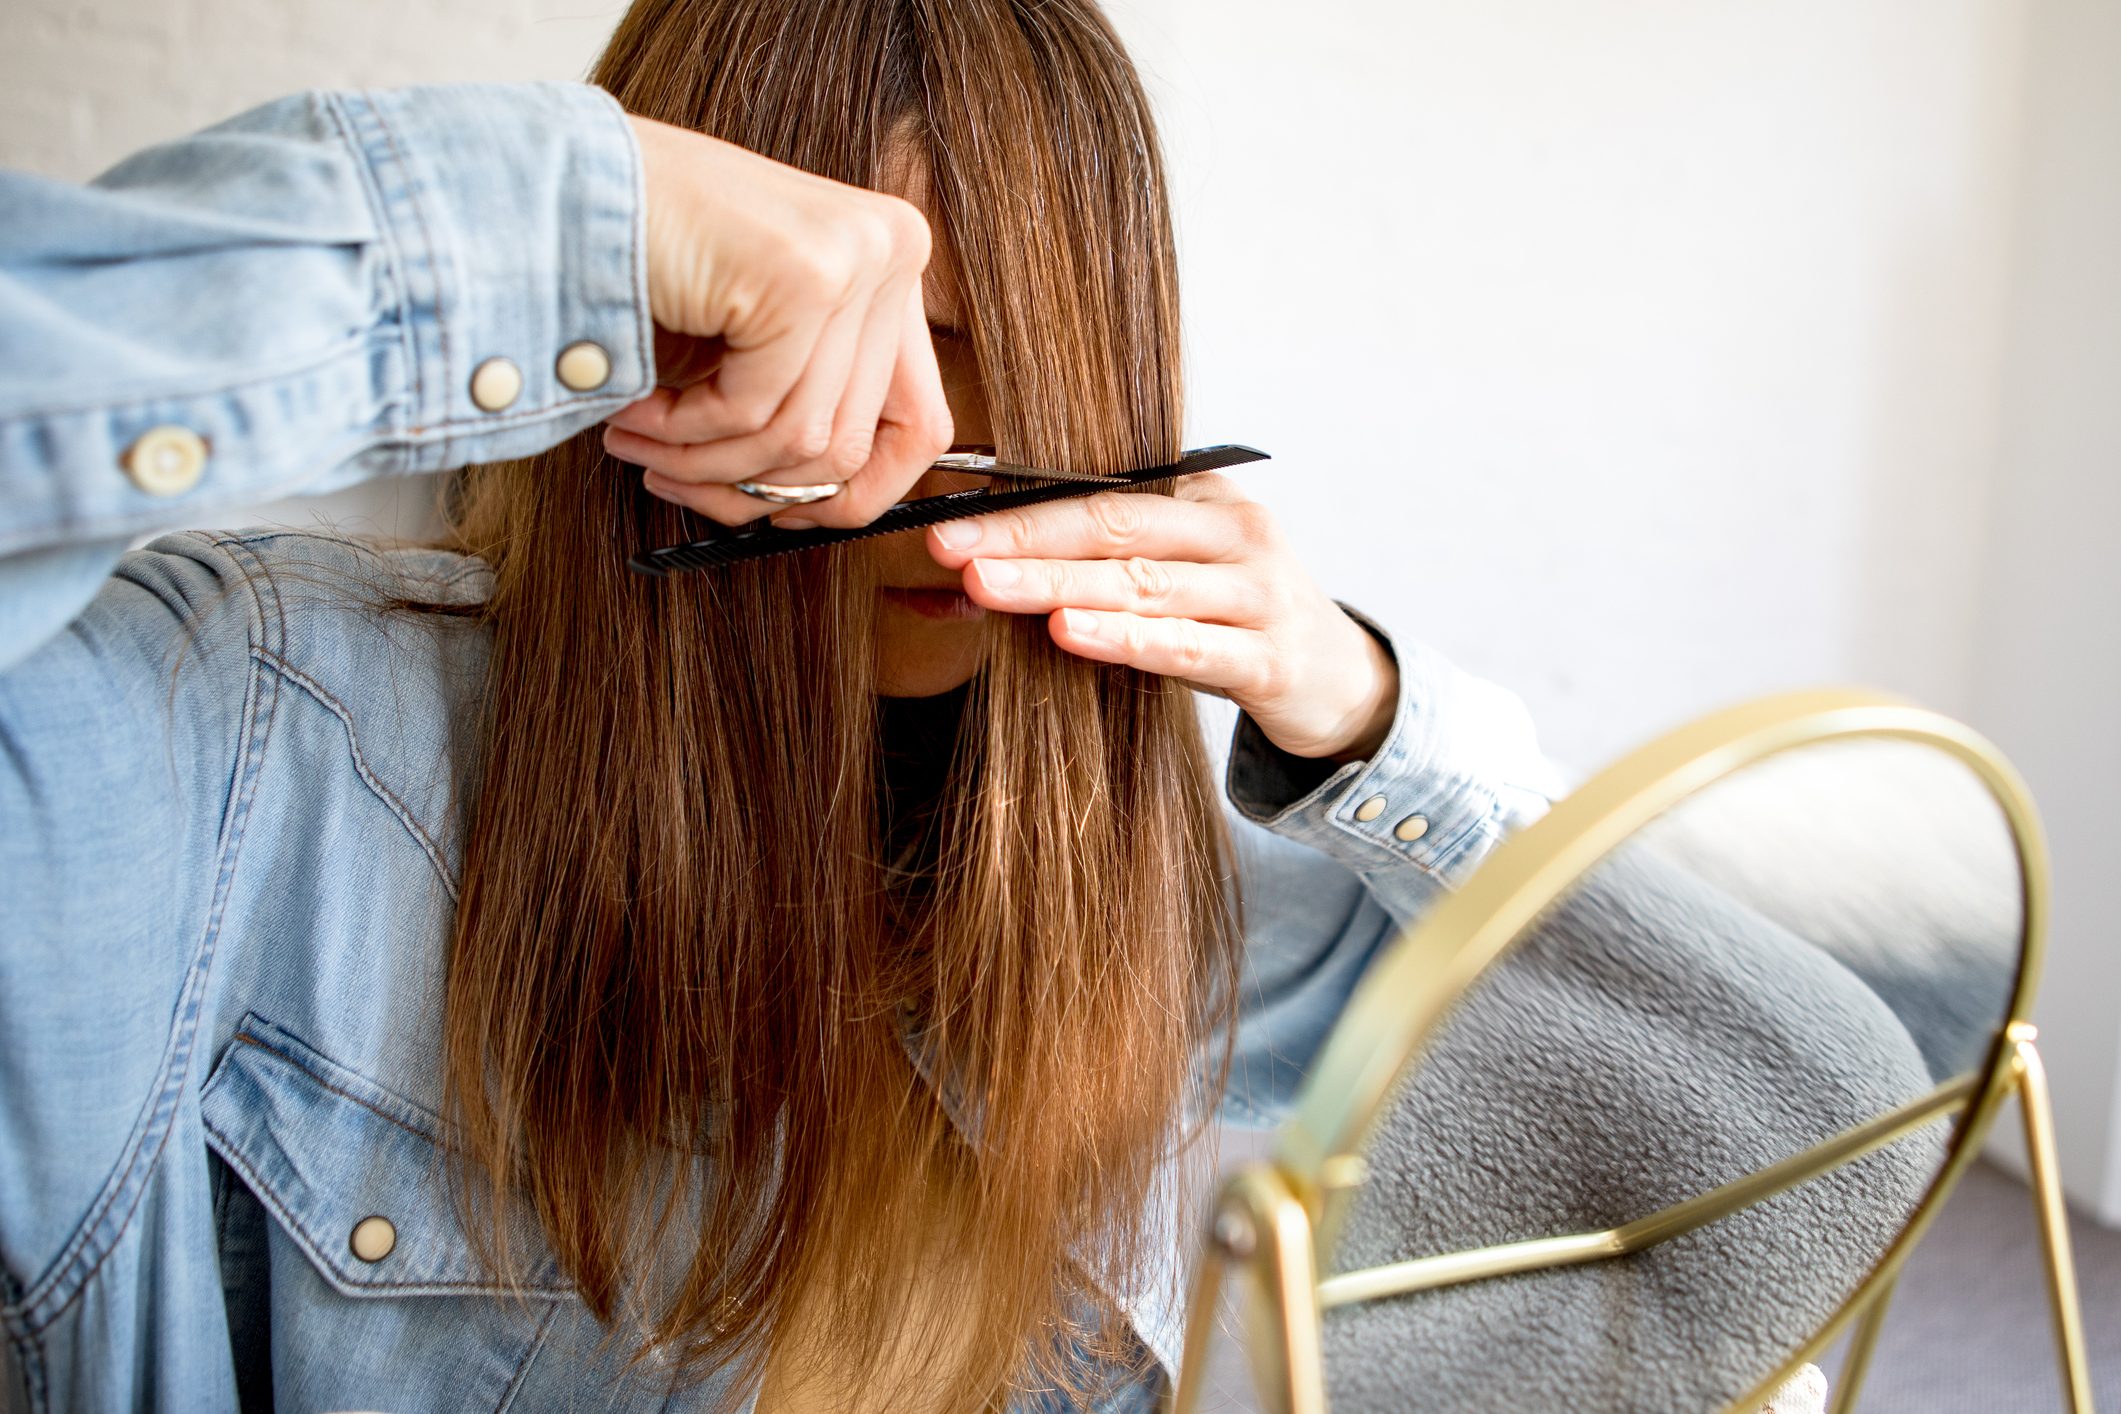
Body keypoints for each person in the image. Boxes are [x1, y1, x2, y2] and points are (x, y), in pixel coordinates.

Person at [0, 2, 1572, 1410]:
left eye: (1036, 363)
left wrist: (1357, 709)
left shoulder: (1114, 899)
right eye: (869, 354)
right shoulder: (247, 736)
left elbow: (1718, 1080)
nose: (960, 448)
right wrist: (528, 232)